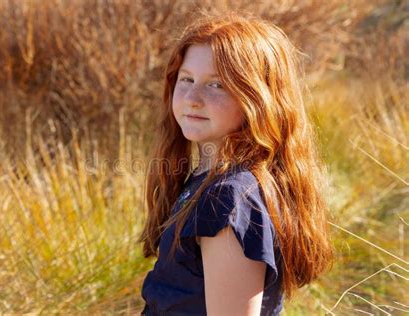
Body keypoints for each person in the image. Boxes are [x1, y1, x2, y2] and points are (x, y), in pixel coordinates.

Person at [138, 10, 335, 316]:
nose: (192, 97)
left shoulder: (227, 200)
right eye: (187, 79)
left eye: (216, 85)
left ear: (257, 98)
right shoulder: (209, 179)